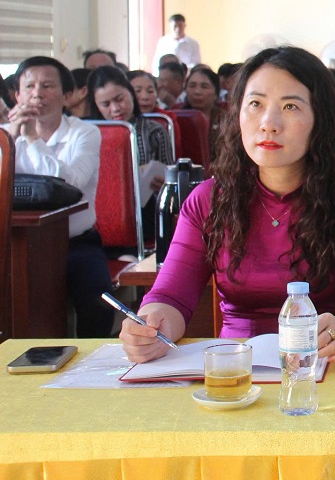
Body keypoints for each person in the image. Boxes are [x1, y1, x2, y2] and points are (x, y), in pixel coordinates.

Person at [119, 46, 335, 361]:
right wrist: (152, 326)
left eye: (290, 106)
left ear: (321, 119)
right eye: (255, 104)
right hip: (234, 365)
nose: (268, 123)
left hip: (323, 360)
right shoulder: (208, 200)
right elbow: (170, 297)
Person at [3, 57, 111, 336]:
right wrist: (12, 140)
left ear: (66, 95)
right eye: (29, 86)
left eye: (47, 86)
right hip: (14, 244)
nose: (37, 94)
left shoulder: (85, 133)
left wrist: (32, 140)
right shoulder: (5, 136)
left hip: (74, 243)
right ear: (17, 95)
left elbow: (71, 185)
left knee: (97, 303)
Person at [87, 66, 173, 237]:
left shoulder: (154, 130)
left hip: (144, 211)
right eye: (105, 104)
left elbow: (170, 179)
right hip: (98, 212)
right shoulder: (88, 133)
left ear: (131, 94)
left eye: (119, 99)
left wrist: (165, 183)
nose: (115, 108)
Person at [184, 65, 224, 146]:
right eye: (192, 86)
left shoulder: (226, 120)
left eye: (204, 87)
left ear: (216, 93)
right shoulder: (178, 119)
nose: (197, 92)